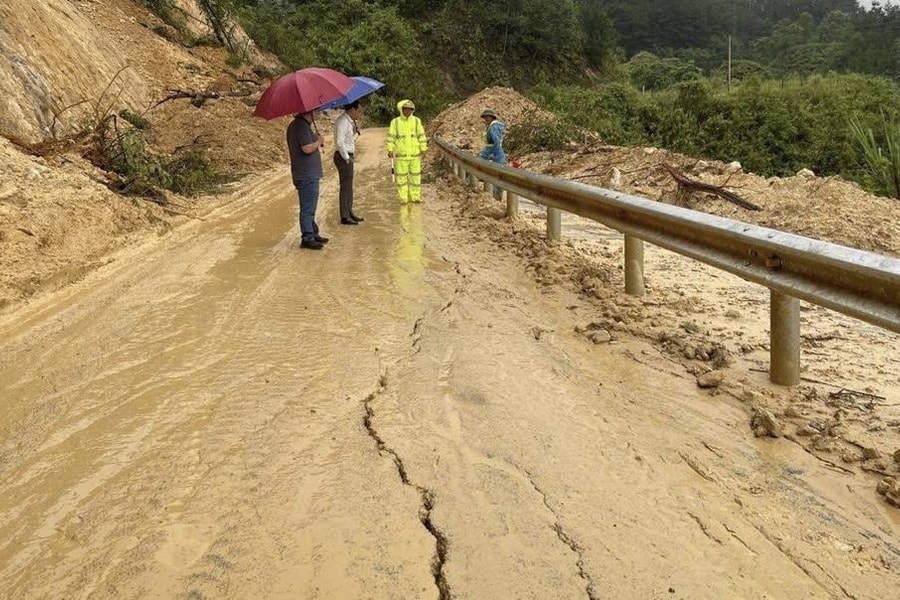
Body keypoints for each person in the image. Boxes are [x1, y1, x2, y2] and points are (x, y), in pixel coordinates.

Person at [287, 111, 328, 249]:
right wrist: (318, 142)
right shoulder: (301, 126)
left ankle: (313, 232)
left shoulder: (297, 126)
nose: (315, 114)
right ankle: (307, 237)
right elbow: (306, 148)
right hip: (306, 174)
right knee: (308, 207)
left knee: (310, 205)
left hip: (305, 173)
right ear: (307, 112)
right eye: (313, 111)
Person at [386, 99, 427, 204]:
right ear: (401, 109)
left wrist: (423, 148)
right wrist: (390, 149)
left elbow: (421, 136)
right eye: (405, 109)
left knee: (416, 178)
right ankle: (403, 198)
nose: (408, 111)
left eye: (410, 109)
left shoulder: (417, 121)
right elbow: (391, 137)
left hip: (415, 156)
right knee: (402, 180)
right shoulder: (395, 122)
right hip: (401, 156)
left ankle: (416, 197)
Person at [333, 100, 364, 225]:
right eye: (358, 110)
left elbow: (348, 141)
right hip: (343, 156)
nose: (359, 113)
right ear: (352, 109)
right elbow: (340, 142)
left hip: (346, 155)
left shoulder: (347, 122)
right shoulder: (342, 121)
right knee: (345, 187)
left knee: (349, 186)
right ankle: (345, 216)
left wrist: (355, 133)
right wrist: (346, 158)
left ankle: (349, 211)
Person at [479, 109, 506, 199]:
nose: (486, 119)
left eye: (487, 117)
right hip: (491, 151)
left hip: (495, 152)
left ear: (491, 117)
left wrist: (493, 154)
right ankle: (494, 195)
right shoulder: (490, 126)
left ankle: (496, 195)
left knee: (496, 174)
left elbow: (496, 142)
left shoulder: (494, 127)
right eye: (485, 117)